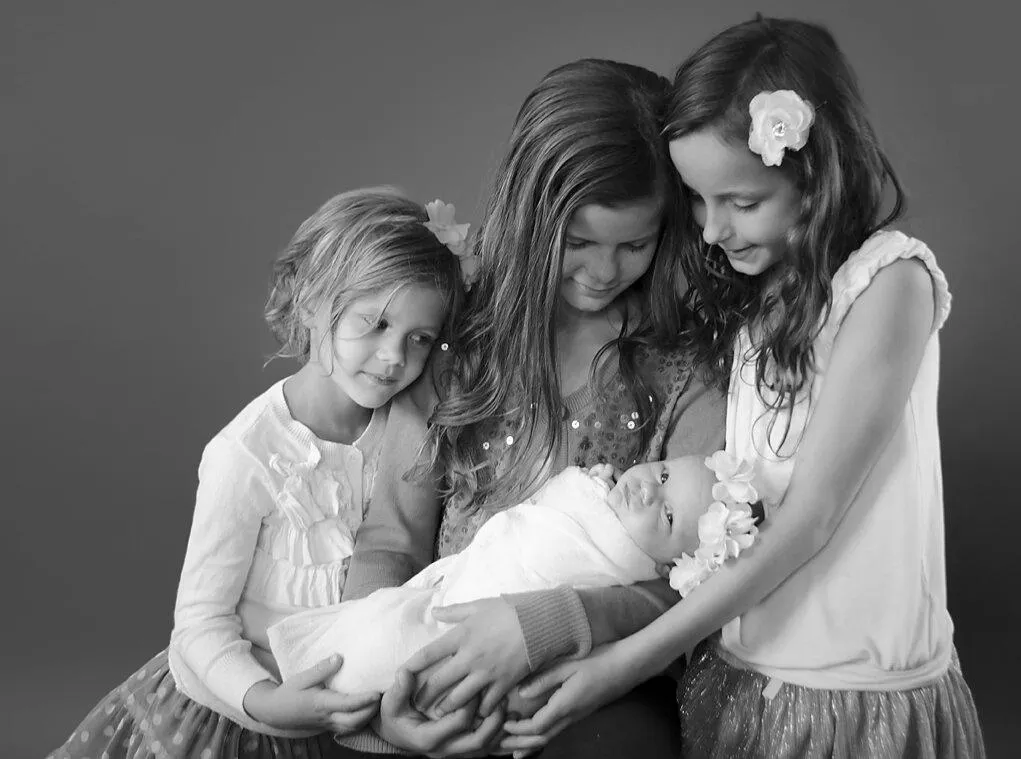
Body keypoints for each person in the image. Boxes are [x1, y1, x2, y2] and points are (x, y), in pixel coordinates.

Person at [500, 17, 988, 758]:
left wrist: (620, 664)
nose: (711, 230)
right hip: (741, 675)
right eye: (697, 201)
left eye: (742, 201)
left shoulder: (888, 283)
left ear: (815, 175)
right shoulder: (756, 298)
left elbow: (808, 520)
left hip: (851, 692)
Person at [336, 59, 727, 758]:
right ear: (529, 217)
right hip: (437, 662)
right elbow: (392, 539)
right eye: (578, 243)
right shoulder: (457, 340)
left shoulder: (682, 369)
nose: (603, 271)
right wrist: (382, 687)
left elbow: (702, 584)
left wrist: (553, 623)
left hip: (600, 683)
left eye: (634, 245)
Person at [49, 187, 468, 759]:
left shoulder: (411, 433)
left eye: (419, 339)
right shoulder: (247, 455)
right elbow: (199, 625)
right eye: (374, 324)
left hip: (351, 722)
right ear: (312, 303)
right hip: (240, 716)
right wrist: (265, 701)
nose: (395, 357)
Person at [268, 454, 746, 698]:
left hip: (493, 627)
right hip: (449, 584)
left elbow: (663, 598)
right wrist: (587, 487)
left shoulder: (628, 562)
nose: (648, 492)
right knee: (377, 624)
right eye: (662, 475)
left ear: (668, 567)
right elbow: (391, 537)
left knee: (394, 651)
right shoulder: (452, 349)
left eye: (667, 517)